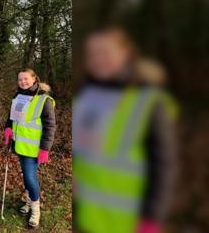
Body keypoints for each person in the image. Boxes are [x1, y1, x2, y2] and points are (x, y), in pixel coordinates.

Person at [73, 27, 177, 233]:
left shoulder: (149, 101)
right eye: (92, 54)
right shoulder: (86, 95)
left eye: (105, 53)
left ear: (126, 54)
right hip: (85, 215)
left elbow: (164, 165)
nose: (97, 59)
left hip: (127, 221)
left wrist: (152, 217)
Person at [4, 68, 57, 228]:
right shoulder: (18, 96)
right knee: (27, 177)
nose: (23, 82)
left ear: (34, 79)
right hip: (20, 145)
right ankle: (28, 202)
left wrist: (45, 149)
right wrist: (8, 127)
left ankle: (35, 210)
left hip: (34, 149)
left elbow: (50, 126)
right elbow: (11, 117)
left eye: (26, 79)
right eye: (20, 80)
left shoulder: (44, 100)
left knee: (30, 179)